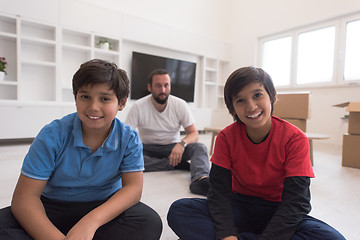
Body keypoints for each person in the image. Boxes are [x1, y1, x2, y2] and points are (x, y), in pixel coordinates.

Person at [167, 67, 345, 240]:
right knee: (180, 210)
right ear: (232, 108)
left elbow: (296, 202)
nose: (251, 106)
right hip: (238, 206)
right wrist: (227, 235)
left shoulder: (295, 138)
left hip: (278, 210)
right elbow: (218, 194)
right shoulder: (226, 138)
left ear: (272, 95)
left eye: (257, 95)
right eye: (240, 100)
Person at [0, 59, 162, 240]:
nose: (93, 107)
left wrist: (90, 222)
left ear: (121, 103)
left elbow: (133, 189)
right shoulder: (52, 135)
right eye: (85, 96)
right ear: (76, 98)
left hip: (103, 208)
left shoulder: (128, 138)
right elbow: (25, 198)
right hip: (53, 207)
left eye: (105, 99)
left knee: (149, 223)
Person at [125, 68, 210, 196]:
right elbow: (126, 137)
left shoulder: (180, 104)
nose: (163, 90)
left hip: (173, 149)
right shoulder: (138, 106)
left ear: (170, 86)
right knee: (127, 155)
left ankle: (201, 179)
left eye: (166, 85)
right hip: (146, 149)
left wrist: (181, 144)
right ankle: (174, 165)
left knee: (200, 147)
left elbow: (194, 133)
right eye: (158, 86)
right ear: (150, 87)